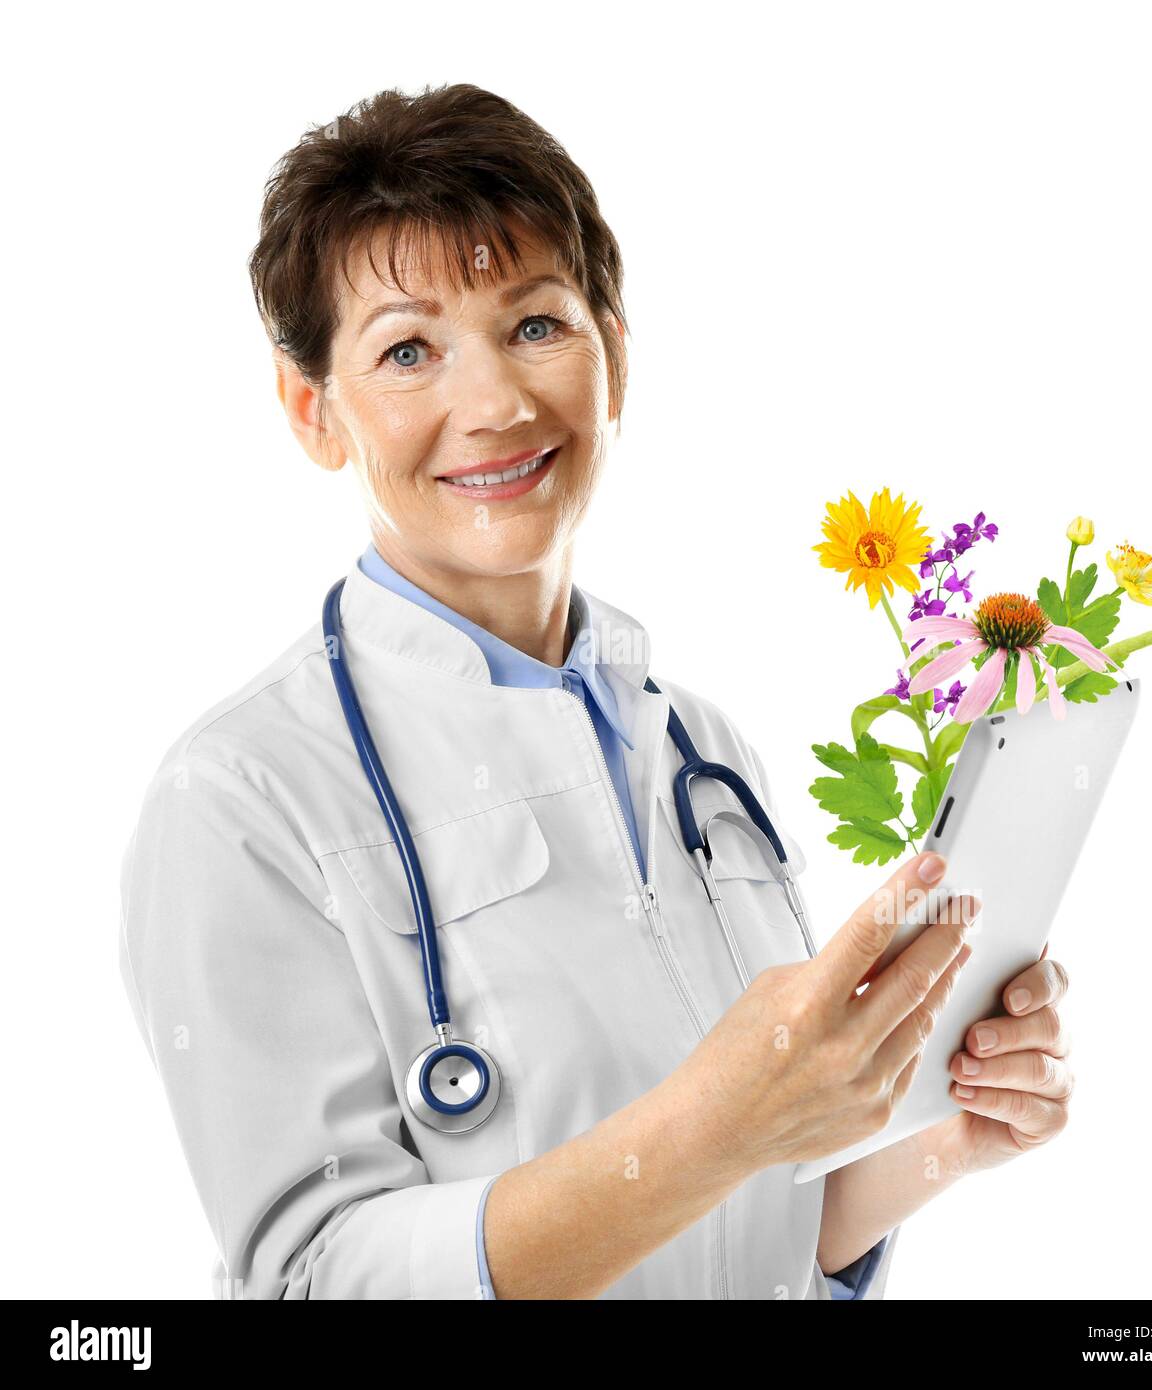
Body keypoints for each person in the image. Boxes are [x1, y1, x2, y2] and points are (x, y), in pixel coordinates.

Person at [119, 83, 1073, 1300]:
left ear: (613, 353)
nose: (498, 404)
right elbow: (317, 1278)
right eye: (408, 350)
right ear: (314, 410)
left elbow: (748, 1226)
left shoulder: (700, 747)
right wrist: (716, 1122)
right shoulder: (240, 799)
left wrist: (944, 1130)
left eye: (535, 326)